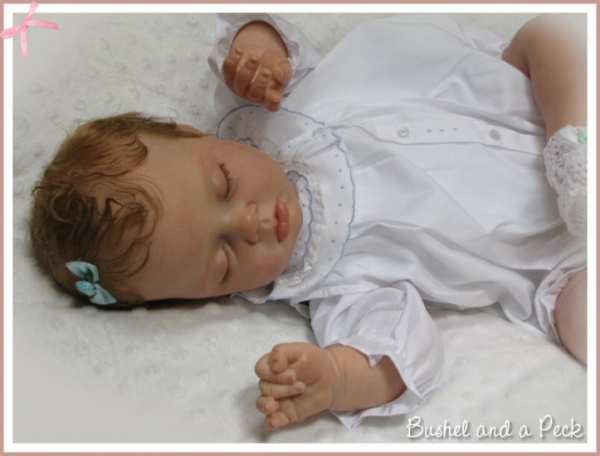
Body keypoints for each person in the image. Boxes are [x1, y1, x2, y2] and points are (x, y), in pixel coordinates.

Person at [29, 13, 588, 432]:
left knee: (551, 35)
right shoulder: (330, 285)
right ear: (209, 296)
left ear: (193, 134)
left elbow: (260, 31)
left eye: (223, 184)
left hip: (534, 101)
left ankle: (579, 146)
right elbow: (400, 350)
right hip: (557, 259)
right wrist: (336, 378)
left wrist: (257, 48)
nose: (248, 222)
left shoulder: (272, 102)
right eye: (223, 259)